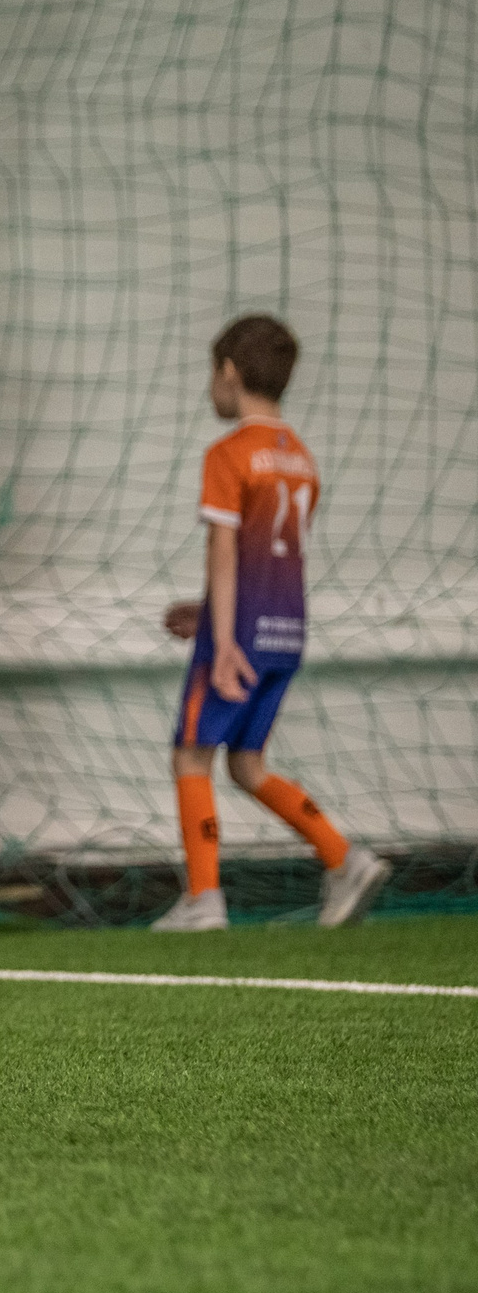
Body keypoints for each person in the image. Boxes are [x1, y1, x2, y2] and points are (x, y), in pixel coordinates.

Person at [152, 313, 390, 932]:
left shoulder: (228, 454)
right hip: (286, 631)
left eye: (211, 372)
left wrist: (224, 637)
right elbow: (272, 556)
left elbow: (227, 547)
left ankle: (204, 899)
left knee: (191, 755)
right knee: (247, 764)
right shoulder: (301, 460)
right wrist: (209, 610)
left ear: (229, 372)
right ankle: (344, 858)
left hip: (239, 637)